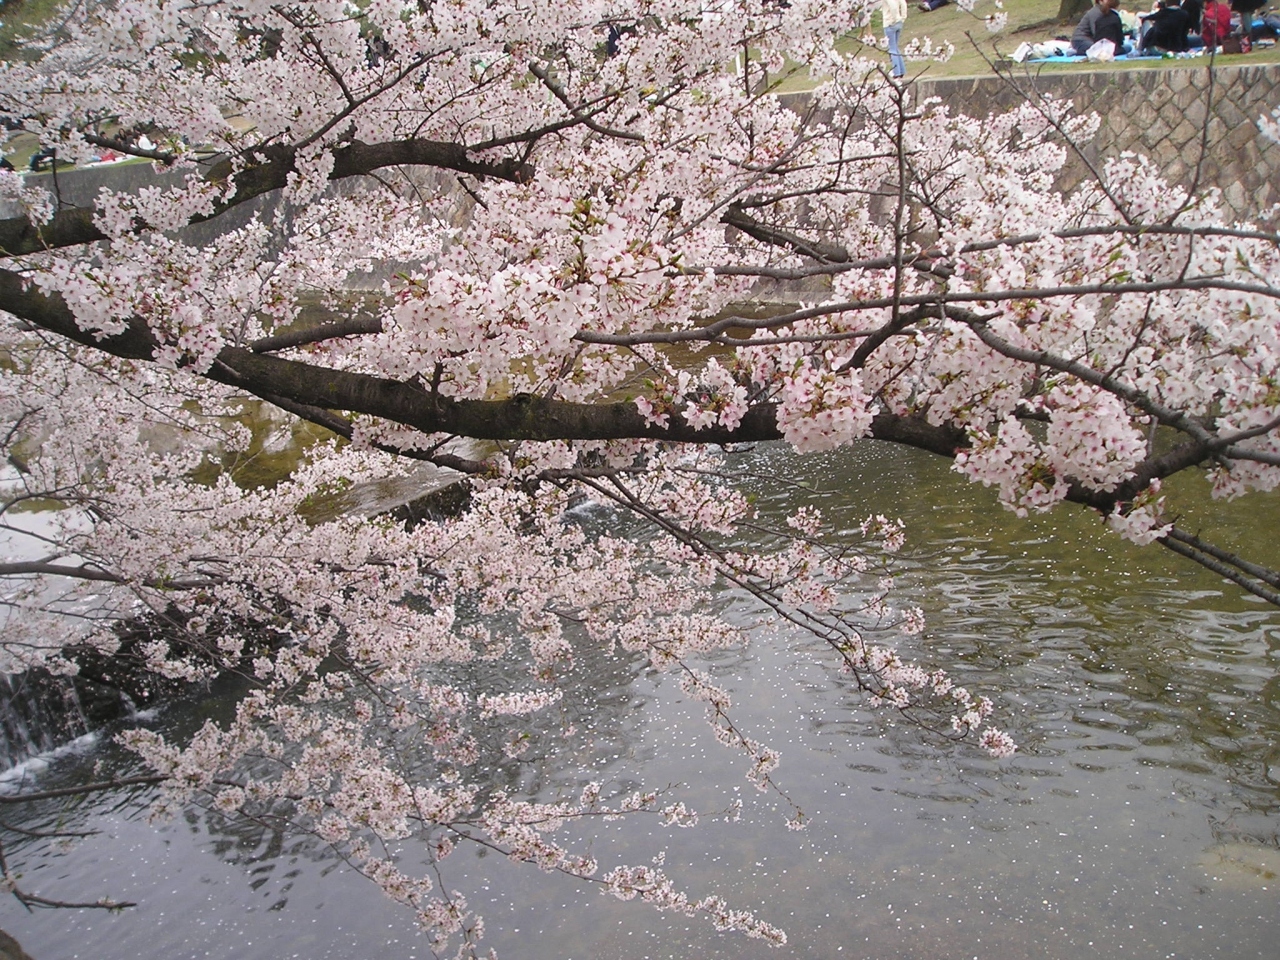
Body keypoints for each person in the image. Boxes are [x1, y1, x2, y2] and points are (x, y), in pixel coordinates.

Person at [882, 0, 908, 79]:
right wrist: (903, 17)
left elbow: (893, 6)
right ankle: (902, 70)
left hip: (890, 23)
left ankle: (896, 72)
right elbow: (903, 4)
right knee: (895, 47)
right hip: (898, 22)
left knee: (892, 49)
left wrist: (893, 19)